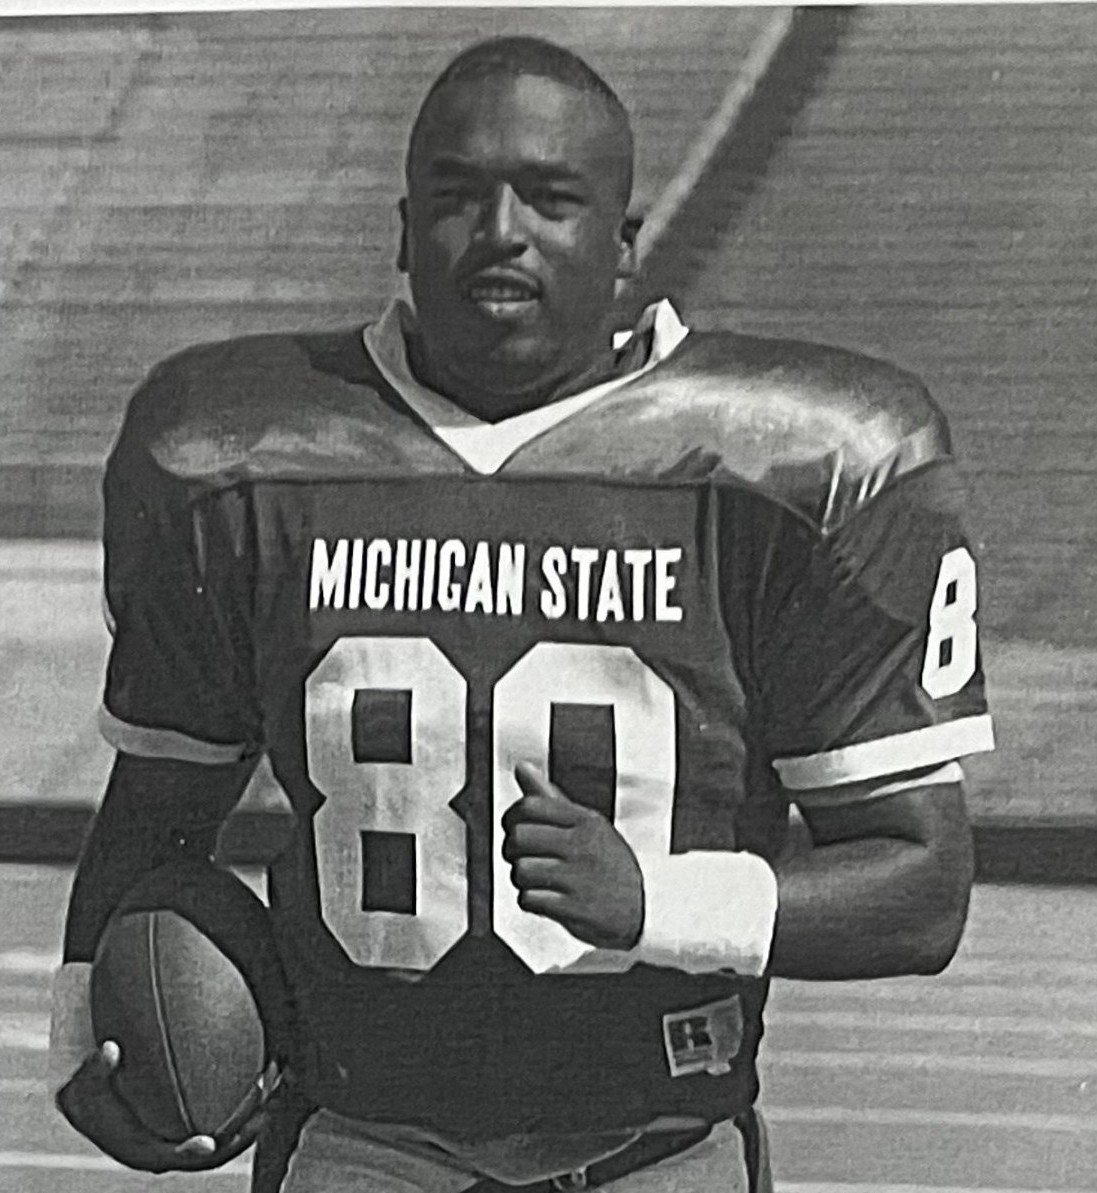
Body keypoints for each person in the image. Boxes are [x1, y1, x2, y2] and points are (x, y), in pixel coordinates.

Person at [49, 35, 994, 1193]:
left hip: (655, 1146)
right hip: (358, 1139)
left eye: (549, 198)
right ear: (404, 231)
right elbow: (157, 802)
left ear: (622, 240)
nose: (501, 231)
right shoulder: (242, 455)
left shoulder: (792, 465)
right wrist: (83, 1027)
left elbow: (917, 889)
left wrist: (653, 903)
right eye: (458, 195)